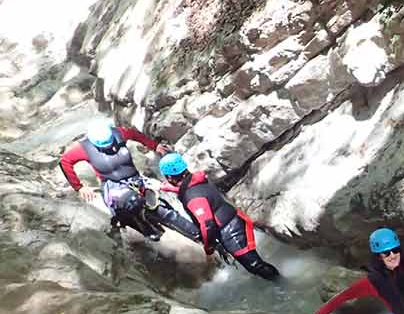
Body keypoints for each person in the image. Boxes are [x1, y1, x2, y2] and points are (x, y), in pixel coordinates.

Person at [59, 120, 199, 242]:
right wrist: (79, 187)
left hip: (135, 179)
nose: (109, 147)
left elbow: (135, 134)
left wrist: (154, 146)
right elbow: (65, 161)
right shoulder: (84, 148)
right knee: (132, 203)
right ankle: (145, 227)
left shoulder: (118, 133)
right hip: (113, 186)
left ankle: (199, 236)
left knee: (165, 211)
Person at [158, 153, 280, 280]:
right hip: (234, 219)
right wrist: (169, 188)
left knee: (255, 265)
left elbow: (208, 225)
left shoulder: (193, 198)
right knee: (254, 263)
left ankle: (281, 281)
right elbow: (191, 189)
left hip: (231, 231)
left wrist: (208, 248)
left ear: (170, 177)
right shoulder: (197, 178)